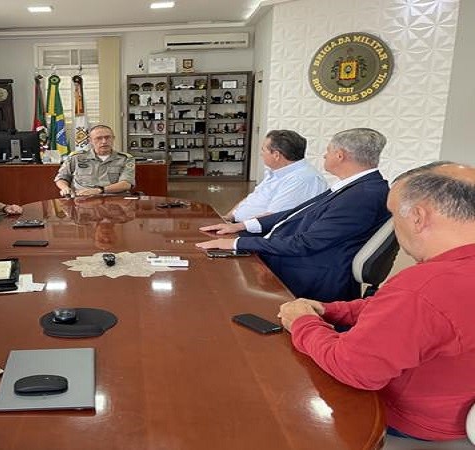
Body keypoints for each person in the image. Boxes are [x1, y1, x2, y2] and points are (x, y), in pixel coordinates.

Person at [278, 161, 475, 442]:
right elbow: (393, 308)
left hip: (408, 420)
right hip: (455, 402)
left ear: (418, 217)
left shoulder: (424, 287)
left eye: (394, 215)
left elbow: (354, 369)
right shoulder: (435, 284)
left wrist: (303, 323)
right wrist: (331, 310)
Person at [197, 128, 390, 301]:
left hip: (309, 272)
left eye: (328, 150)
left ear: (340, 155)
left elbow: (306, 244)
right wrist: (240, 227)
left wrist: (236, 243)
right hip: (297, 255)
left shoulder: (361, 196)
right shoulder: (356, 187)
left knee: (216, 279)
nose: (324, 155)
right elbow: (294, 213)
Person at [223, 129, 327, 222]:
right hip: (239, 225)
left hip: (258, 235)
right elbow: (253, 198)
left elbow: (272, 219)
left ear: (276, 155)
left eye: (263, 150)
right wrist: (229, 216)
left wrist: (234, 228)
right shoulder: (278, 172)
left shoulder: (302, 180)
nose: (261, 154)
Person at [54, 125, 136, 197]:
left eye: (107, 137)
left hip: (114, 201)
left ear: (113, 138)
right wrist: (65, 188)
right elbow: (61, 177)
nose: (104, 141)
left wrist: (99, 190)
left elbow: (126, 184)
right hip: (82, 201)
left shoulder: (125, 159)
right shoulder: (76, 157)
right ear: (90, 141)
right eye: (99, 138)